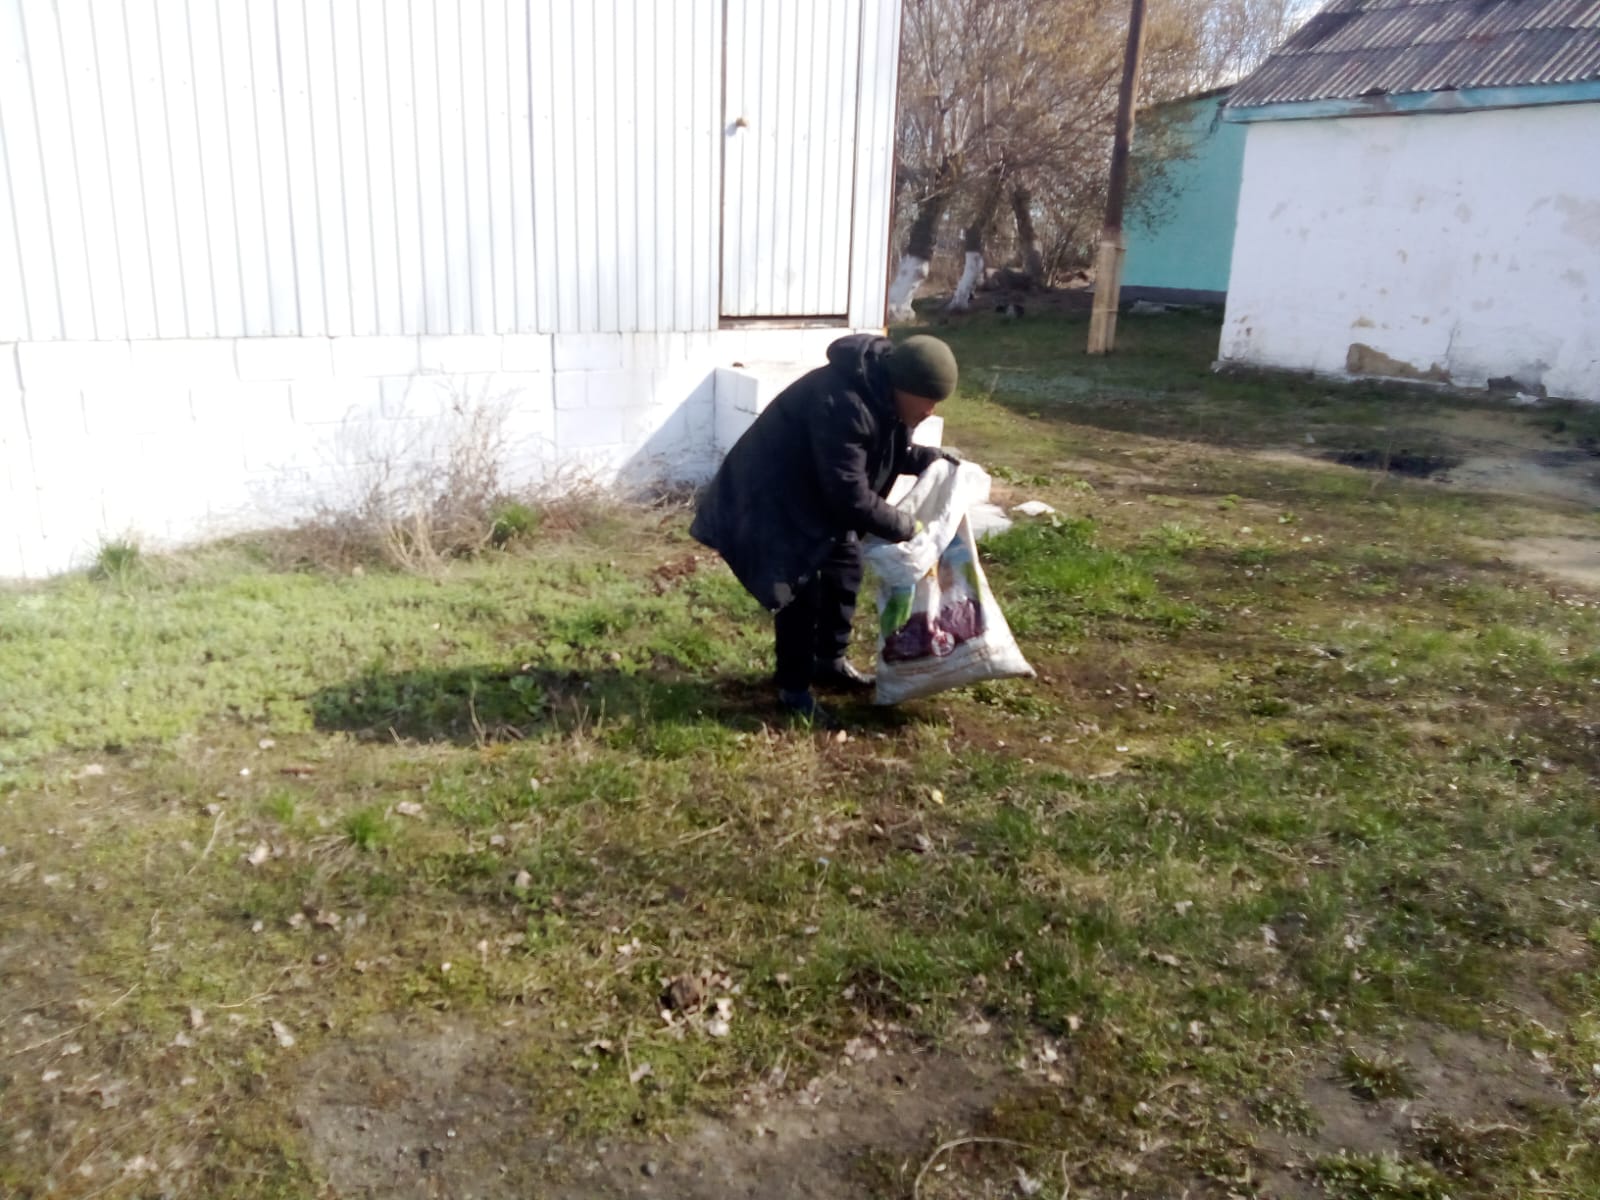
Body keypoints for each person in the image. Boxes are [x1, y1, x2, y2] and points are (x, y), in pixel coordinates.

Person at [690, 334, 961, 722]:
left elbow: (879, 451)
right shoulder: (841, 402)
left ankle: (828, 663)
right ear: (904, 386)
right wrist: (906, 526)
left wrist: (928, 460)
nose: (931, 411)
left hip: (814, 494)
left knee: (845, 569)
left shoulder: (884, 397)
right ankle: (793, 691)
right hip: (771, 498)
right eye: (928, 400)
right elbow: (850, 494)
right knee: (801, 592)